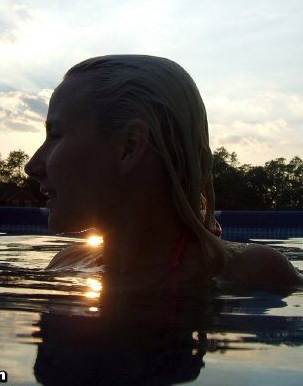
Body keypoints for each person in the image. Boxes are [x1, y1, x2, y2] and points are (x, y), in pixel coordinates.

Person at [25, 55, 303, 289]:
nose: (32, 167)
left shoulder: (252, 273)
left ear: (130, 146)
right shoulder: (64, 263)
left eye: (56, 135)